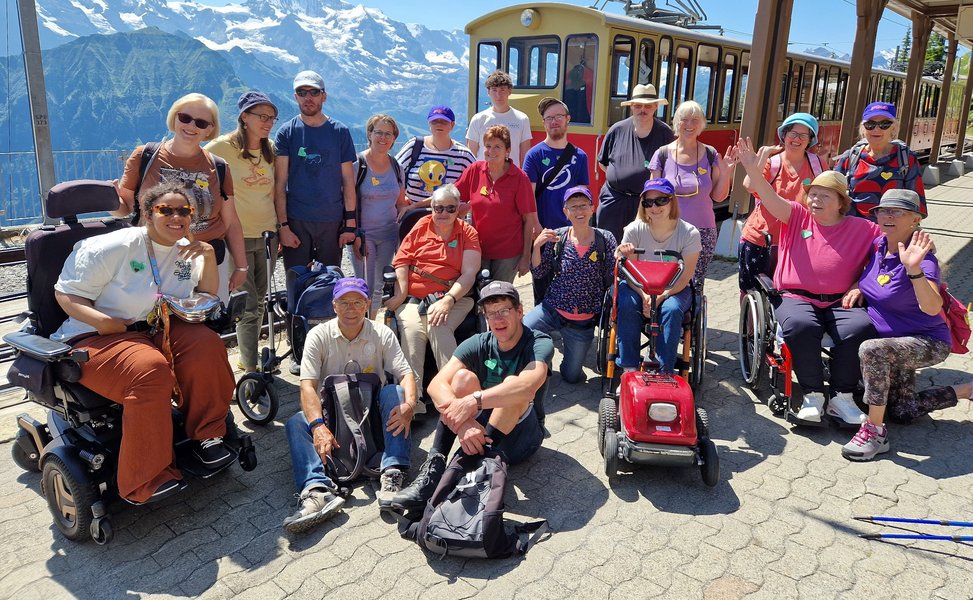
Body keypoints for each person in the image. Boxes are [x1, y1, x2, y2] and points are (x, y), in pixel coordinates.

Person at [52, 182, 235, 505]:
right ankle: (145, 479)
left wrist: (207, 253)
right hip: (100, 335)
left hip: (154, 329)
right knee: (149, 369)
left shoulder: (186, 250)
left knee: (206, 346)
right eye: (166, 209)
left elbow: (205, 298)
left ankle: (208, 436)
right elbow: (65, 293)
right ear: (148, 214)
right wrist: (101, 321)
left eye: (184, 211)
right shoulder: (114, 246)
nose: (176, 216)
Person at [737, 138, 881, 424]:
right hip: (795, 297)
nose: (814, 200)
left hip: (841, 299)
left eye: (824, 196)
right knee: (802, 326)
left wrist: (860, 284)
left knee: (860, 326)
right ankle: (813, 395)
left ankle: (842, 398)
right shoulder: (798, 216)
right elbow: (767, 195)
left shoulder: (864, 228)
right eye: (812, 194)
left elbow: (885, 256)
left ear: (841, 203)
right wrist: (753, 170)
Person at [383, 280, 552, 512]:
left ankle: (472, 465)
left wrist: (473, 401)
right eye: (491, 313)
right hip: (482, 429)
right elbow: (436, 385)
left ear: (520, 311)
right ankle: (435, 469)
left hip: (523, 436)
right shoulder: (479, 342)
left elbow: (526, 388)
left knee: (512, 385)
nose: (498, 319)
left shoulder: (538, 342)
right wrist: (463, 423)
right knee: (461, 379)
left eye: (504, 310)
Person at [842, 190, 972, 460]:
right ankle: (967, 390)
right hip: (892, 344)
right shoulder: (878, 244)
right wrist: (858, 286)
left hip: (925, 341)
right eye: (883, 210)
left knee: (871, 350)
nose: (888, 215)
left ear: (915, 219)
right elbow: (871, 276)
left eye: (898, 211)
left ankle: (874, 431)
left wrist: (913, 269)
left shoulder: (923, 259)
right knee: (902, 412)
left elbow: (932, 307)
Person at [283, 277, 417, 533]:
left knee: (395, 392)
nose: (350, 309)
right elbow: (307, 386)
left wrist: (410, 405)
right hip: (334, 412)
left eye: (357, 302)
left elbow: (405, 374)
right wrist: (318, 426)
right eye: (344, 302)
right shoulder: (318, 335)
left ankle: (393, 471)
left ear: (367, 304)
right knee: (297, 423)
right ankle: (317, 490)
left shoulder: (381, 333)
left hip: (372, 412)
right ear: (334, 305)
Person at [115, 93, 247, 303]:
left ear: (210, 129)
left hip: (207, 259)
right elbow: (125, 208)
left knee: (206, 320)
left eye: (201, 122)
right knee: (151, 320)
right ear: (174, 118)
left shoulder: (219, 167)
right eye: (185, 118)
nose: (191, 126)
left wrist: (241, 266)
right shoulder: (145, 156)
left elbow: (231, 222)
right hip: (153, 256)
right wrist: (111, 202)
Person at [205, 91, 278, 373]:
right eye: (262, 116)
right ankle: (250, 369)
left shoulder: (270, 149)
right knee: (248, 304)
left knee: (260, 301)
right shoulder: (220, 148)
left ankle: (249, 359)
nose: (268, 122)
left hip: (267, 235)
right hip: (238, 236)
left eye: (271, 117)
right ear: (244, 117)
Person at [386, 184, 481, 400]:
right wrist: (401, 293)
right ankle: (413, 399)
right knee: (411, 331)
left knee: (438, 325)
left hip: (455, 295)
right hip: (414, 297)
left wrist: (448, 300)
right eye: (438, 208)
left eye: (450, 208)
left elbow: (469, 274)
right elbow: (401, 260)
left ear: (458, 209)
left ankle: (454, 395)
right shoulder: (422, 225)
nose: (444, 213)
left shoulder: (468, 232)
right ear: (432, 208)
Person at [525, 186, 616, 383]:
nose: (579, 211)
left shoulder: (605, 239)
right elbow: (540, 272)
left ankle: (566, 361)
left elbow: (614, 276)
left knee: (572, 376)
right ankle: (542, 359)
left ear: (593, 208)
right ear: (565, 212)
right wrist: (536, 246)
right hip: (552, 309)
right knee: (521, 330)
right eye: (573, 207)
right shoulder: (558, 237)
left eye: (583, 205)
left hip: (581, 321)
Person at [613, 178, 700, 374]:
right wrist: (645, 296)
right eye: (648, 202)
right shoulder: (634, 229)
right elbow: (629, 272)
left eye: (661, 200)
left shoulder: (689, 233)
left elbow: (685, 277)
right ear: (643, 206)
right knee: (627, 302)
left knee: (671, 309)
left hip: (674, 287)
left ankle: (664, 370)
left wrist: (660, 297)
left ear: (672, 201)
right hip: (639, 285)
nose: (655, 207)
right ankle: (629, 367)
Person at [274, 70, 357, 270]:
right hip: (296, 220)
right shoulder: (287, 132)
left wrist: (350, 223)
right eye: (302, 93)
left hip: (331, 219)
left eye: (314, 92)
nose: (308, 98)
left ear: (324, 96)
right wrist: (283, 227)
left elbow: (348, 182)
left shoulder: (340, 132)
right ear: (295, 97)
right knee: (296, 280)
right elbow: (280, 183)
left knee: (329, 280)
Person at [649, 100, 735, 289]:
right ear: (677, 123)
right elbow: (651, 198)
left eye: (695, 120)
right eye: (684, 120)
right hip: (668, 230)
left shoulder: (710, 154)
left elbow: (719, 197)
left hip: (703, 230)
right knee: (666, 282)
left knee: (695, 283)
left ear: (702, 124)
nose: (689, 125)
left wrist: (727, 172)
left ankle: (691, 316)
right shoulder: (662, 154)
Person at [738, 112, 825, 292]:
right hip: (761, 239)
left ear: (810, 140)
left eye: (803, 135)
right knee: (751, 292)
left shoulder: (818, 165)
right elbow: (749, 185)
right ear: (784, 135)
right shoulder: (773, 162)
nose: (797, 139)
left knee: (789, 294)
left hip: (799, 242)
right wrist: (763, 155)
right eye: (792, 133)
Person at [454, 125, 539, 283]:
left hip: (508, 254)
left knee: (499, 300)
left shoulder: (520, 178)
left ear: (508, 151)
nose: (491, 151)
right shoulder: (475, 170)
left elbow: (528, 221)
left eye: (497, 147)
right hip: (477, 249)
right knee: (476, 296)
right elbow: (452, 195)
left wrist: (526, 257)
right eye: (488, 146)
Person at [596, 84, 674, 243]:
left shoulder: (665, 134)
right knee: (607, 246)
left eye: (648, 106)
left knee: (641, 248)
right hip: (613, 201)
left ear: (655, 107)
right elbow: (603, 163)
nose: (642, 110)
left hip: (648, 204)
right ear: (631, 107)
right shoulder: (617, 130)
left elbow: (671, 169)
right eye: (638, 105)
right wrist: (621, 178)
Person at [351, 114, 408, 315]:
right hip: (363, 235)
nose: (383, 138)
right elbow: (348, 204)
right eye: (378, 132)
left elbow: (401, 203)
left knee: (378, 286)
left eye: (388, 134)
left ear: (394, 138)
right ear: (369, 134)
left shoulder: (396, 167)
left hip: (388, 235)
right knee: (363, 285)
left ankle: (371, 327)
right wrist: (354, 235)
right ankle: (360, 326)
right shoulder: (357, 165)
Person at [834, 102, 926, 220]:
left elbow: (916, 200)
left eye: (884, 124)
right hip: (854, 230)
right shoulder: (850, 157)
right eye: (870, 124)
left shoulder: (906, 158)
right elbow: (833, 192)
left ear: (893, 128)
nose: (876, 129)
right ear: (863, 128)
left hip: (891, 230)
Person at [522, 97, 590, 229]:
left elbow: (583, 196)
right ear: (544, 122)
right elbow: (528, 197)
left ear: (567, 118)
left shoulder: (580, 156)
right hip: (543, 229)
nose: (554, 121)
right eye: (549, 118)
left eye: (559, 116)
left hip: (571, 231)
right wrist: (535, 225)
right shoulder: (534, 155)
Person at [394, 106, 475, 210]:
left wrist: (464, 209)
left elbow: (479, 182)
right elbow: (394, 172)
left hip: (447, 218)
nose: (439, 124)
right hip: (412, 214)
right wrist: (401, 200)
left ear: (452, 125)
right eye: (434, 121)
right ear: (429, 124)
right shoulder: (415, 145)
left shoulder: (464, 155)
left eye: (444, 122)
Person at [466, 70, 533, 166]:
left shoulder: (522, 119)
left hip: (511, 176)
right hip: (484, 176)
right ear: (488, 92)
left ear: (509, 91)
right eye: (494, 90)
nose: (498, 95)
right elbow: (470, 156)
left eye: (502, 90)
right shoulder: (478, 119)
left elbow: (525, 156)